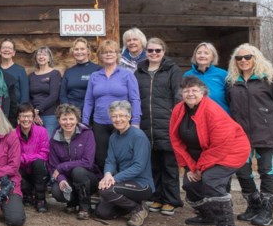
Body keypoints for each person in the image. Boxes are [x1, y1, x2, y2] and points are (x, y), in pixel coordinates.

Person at [170, 76, 251, 226]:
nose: (190, 93)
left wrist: (200, 168)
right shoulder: (179, 109)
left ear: (203, 92)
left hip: (231, 150)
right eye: (186, 90)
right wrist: (191, 167)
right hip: (202, 154)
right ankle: (207, 215)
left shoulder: (212, 110)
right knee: (189, 183)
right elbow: (175, 140)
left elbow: (220, 144)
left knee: (211, 180)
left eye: (194, 90)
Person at [227, 43, 273, 226]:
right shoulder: (232, 81)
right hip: (241, 135)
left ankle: (266, 212)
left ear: (255, 58)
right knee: (242, 170)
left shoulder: (270, 78)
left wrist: (272, 128)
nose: (243, 61)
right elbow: (231, 107)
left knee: (266, 170)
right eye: (239, 58)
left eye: (247, 57)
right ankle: (254, 206)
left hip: (266, 134)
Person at [135, 37, 183, 216]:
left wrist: (175, 116)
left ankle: (171, 200)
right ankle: (156, 197)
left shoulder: (172, 70)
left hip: (166, 122)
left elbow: (178, 95)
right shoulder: (139, 71)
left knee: (169, 164)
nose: (153, 54)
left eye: (157, 50)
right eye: (150, 50)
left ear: (163, 52)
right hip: (146, 123)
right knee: (153, 164)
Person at [82, 39, 141, 170]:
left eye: (112, 52)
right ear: (100, 56)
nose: (108, 54)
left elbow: (135, 99)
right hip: (100, 123)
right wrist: (85, 121)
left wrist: (136, 121)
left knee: (123, 156)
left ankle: (121, 186)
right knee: (101, 156)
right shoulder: (94, 76)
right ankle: (106, 186)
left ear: (117, 54)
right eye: (105, 52)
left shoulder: (127, 75)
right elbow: (89, 101)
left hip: (122, 122)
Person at [95, 100, 154, 226]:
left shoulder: (138, 136)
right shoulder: (113, 137)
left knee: (107, 191)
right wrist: (107, 175)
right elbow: (110, 160)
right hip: (123, 183)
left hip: (141, 184)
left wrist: (114, 179)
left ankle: (138, 209)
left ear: (129, 116)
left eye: (121, 115)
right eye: (114, 116)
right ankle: (132, 205)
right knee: (102, 212)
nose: (118, 119)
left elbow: (139, 166)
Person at [47, 103, 99, 219]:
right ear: (59, 120)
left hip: (88, 178)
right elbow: (53, 166)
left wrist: (62, 166)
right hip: (68, 178)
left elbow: (88, 162)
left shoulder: (87, 134)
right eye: (64, 119)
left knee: (78, 171)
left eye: (71, 118)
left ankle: (85, 207)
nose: (68, 122)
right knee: (56, 192)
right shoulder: (55, 139)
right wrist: (61, 179)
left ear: (77, 119)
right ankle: (73, 202)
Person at [15, 102, 50, 212]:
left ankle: (40, 199)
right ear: (18, 118)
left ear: (33, 117)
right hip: (22, 169)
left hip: (38, 170)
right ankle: (27, 194)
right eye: (23, 116)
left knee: (39, 163)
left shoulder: (42, 131)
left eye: (29, 116)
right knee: (15, 167)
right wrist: (24, 159)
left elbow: (44, 153)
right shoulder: (12, 134)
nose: (26, 119)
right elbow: (13, 156)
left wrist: (26, 158)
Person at [184, 42, 229, 113]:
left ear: (213, 57)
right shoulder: (188, 75)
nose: (202, 55)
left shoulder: (223, 74)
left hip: (220, 115)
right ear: (195, 56)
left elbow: (231, 97)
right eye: (199, 53)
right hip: (196, 115)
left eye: (206, 53)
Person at [28, 46, 61, 137]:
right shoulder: (31, 76)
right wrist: (33, 113)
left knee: (49, 143)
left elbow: (54, 95)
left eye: (44, 54)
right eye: (39, 54)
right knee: (36, 143)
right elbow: (29, 97)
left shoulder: (55, 74)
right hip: (34, 116)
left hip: (50, 115)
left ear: (49, 58)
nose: (41, 57)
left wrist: (38, 110)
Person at [60, 38, 100, 110]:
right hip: (71, 113)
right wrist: (69, 109)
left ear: (88, 51)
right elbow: (62, 95)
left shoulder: (97, 70)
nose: (79, 52)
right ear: (73, 52)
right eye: (76, 49)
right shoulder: (69, 72)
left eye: (82, 49)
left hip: (91, 111)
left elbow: (99, 93)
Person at [0, 39, 30, 122]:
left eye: (9, 48)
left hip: (15, 112)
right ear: (0, 51)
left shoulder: (20, 70)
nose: (6, 50)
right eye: (4, 47)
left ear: (13, 53)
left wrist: (21, 114)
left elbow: (25, 95)